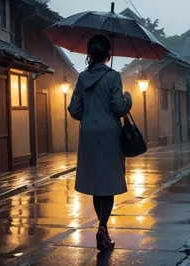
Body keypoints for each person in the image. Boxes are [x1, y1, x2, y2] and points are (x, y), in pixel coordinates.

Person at [67, 34, 132, 251]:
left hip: (88, 133)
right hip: (109, 134)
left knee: (96, 183)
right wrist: (128, 99)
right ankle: (103, 227)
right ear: (108, 54)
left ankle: (102, 228)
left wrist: (89, 113)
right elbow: (119, 108)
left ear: (89, 55)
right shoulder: (113, 77)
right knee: (109, 183)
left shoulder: (81, 78)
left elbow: (74, 110)